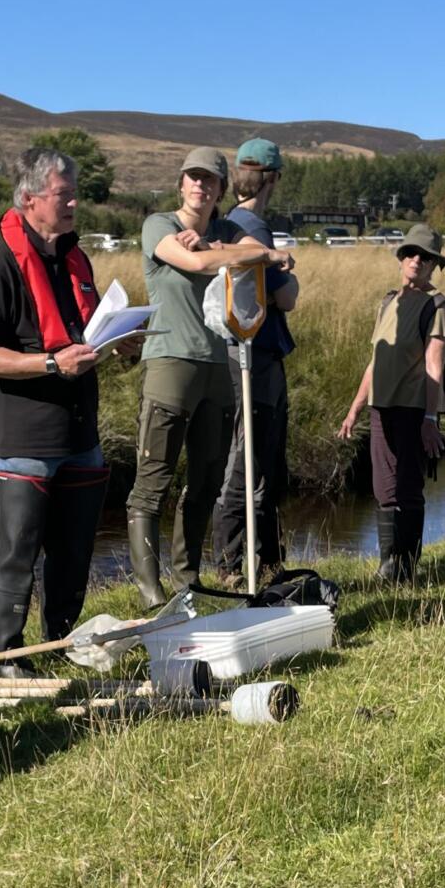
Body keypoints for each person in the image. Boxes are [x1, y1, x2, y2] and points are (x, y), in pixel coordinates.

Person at [0, 147, 116, 657]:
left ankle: (61, 645)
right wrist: (52, 365)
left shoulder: (77, 257)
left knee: (73, 552)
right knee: (17, 552)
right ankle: (9, 656)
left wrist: (121, 341)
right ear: (29, 199)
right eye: (63, 193)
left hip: (81, 434)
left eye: (76, 192)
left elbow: (83, 333)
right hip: (27, 439)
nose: (75, 201)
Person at [125, 149, 272, 607]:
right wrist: (227, 256)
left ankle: (186, 580)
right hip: (170, 362)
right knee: (153, 483)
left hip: (217, 366)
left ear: (221, 189)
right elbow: (191, 264)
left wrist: (213, 247)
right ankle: (152, 592)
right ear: (181, 183)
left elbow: (258, 253)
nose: (200, 186)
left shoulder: (226, 231)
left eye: (210, 180)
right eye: (193, 178)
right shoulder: (158, 225)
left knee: (207, 479)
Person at [339, 225, 445, 583]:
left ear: (434, 264)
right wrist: (355, 407)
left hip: (411, 409)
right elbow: (376, 361)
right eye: (410, 253)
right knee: (383, 488)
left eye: (425, 256)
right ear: (401, 258)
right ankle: (388, 565)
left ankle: (406, 566)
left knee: (407, 486)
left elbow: (435, 366)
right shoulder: (389, 302)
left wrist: (429, 418)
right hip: (382, 408)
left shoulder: (437, 306)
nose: (416, 260)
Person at [208, 135, 300, 582]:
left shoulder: (226, 222)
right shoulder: (255, 230)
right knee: (253, 462)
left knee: (245, 457)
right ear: (273, 179)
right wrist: (289, 274)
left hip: (236, 355)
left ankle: (251, 562)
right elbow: (286, 297)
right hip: (256, 360)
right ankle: (246, 565)